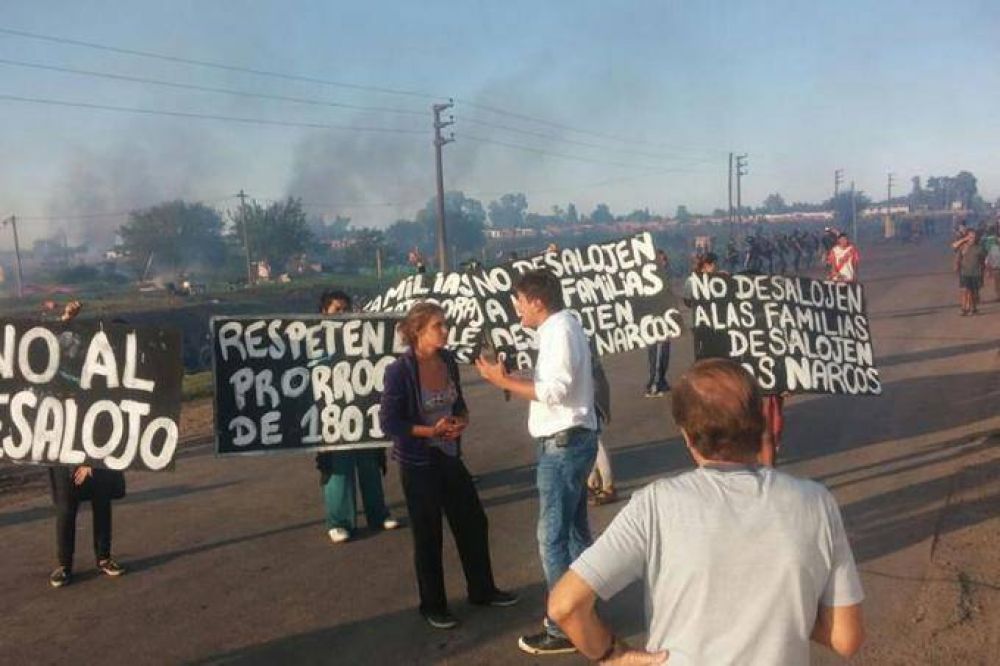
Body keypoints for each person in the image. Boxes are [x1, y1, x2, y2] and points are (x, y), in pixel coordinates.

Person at [547, 359, 866, 664]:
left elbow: (565, 606)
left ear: (686, 435)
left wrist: (612, 655)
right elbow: (846, 638)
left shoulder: (655, 505)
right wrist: (784, 606)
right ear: (760, 423)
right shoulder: (816, 502)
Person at [475, 269, 599, 656]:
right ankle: (584, 606)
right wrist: (515, 375)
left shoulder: (558, 331)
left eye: (519, 302)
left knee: (553, 538)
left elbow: (556, 391)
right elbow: (554, 380)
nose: (517, 309)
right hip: (573, 441)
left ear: (537, 302)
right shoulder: (561, 327)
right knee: (575, 532)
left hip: (563, 445)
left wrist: (501, 382)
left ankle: (563, 624)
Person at [380, 303, 517, 629]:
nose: (445, 330)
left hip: (450, 456)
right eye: (437, 326)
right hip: (418, 462)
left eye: (445, 324)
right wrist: (431, 431)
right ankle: (433, 605)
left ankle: (482, 590)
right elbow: (389, 422)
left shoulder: (448, 361)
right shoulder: (400, 371)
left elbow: (459, 405)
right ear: (417, 331)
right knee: (428, 535)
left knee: (472, 522)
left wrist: (461, 421)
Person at [48, 301, 127, 588]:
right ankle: (63, 565)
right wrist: (66, 319)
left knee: (101, 503)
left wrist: (92, 459)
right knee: (67, 508)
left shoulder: (112, 378)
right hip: (64, 447)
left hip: (98, 450)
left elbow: (112, 418)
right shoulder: (73, 367)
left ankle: (104, 557)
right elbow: (53, 351)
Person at [315, 289, 398, 544]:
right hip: (332, 416)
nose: (343, 314)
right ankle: (339, 522)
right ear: (324, 313)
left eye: (346, 309)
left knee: (370, 463)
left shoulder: (365, 338)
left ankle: (378, 513)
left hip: (363, 414)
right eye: (337, 310)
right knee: (338, 469)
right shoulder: (316, 341)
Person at [645, 248, 672, 398]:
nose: (664, 263)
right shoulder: (650, 279)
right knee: (656, 353)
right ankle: (653, 383)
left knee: (665, 352)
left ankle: (661, 379)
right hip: (655, 322)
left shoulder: (665, 277)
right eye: (661, 260)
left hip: (666, 321)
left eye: (665, 260)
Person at [952, 229, 987, 315]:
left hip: (976, 273)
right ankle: (964, 309)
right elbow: (954, 246)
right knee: (964, 291)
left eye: (974, 236)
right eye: (970, 236)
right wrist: (964, 240)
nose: (972, 238)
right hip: (965, 272)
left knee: (973, 292)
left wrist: (985, 271)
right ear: (967, 237)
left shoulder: (979, 247)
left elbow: (983, 260)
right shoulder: (963, 246)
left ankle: (973, 308)